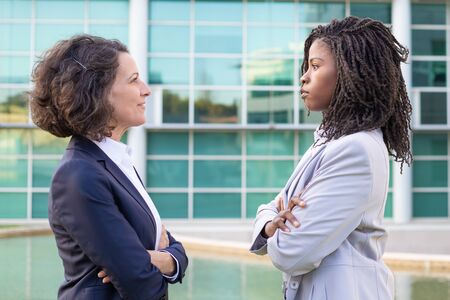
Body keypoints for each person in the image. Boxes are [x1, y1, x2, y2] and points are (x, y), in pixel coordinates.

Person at [250, 16, 412, 300]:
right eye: (306, 67)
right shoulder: (330, 142)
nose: (304, 76)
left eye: (315, 66)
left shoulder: (355, 150)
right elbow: (272, 208)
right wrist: (270, 222)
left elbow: (290, 252)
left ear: (350, 73)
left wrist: (276, 223)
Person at [30, 34, 188, 300]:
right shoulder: (78, 174)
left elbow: (174, 250)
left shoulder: (115, 161)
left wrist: (167, 260)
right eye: (133, 79)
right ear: (98, 92)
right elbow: (140, 283)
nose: (146, 89)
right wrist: (158, 259)